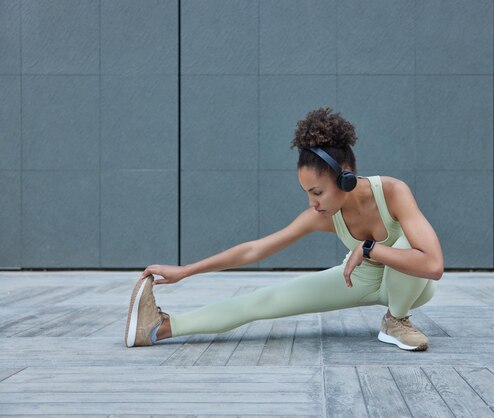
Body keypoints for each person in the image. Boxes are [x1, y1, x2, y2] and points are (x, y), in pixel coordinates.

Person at [125, 107, 444, 351]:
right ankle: (160, 329)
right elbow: (256, 249)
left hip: (411, 285)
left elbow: (432, 265)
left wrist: (368, 247)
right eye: (306, 192)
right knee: (264, 301)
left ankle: (396, 319)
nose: (312, 203)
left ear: (345, 177)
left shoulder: (392, 192)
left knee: (406, 246)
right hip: (360, 280)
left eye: (317, 192)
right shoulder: (322, 216)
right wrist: (185, 271)